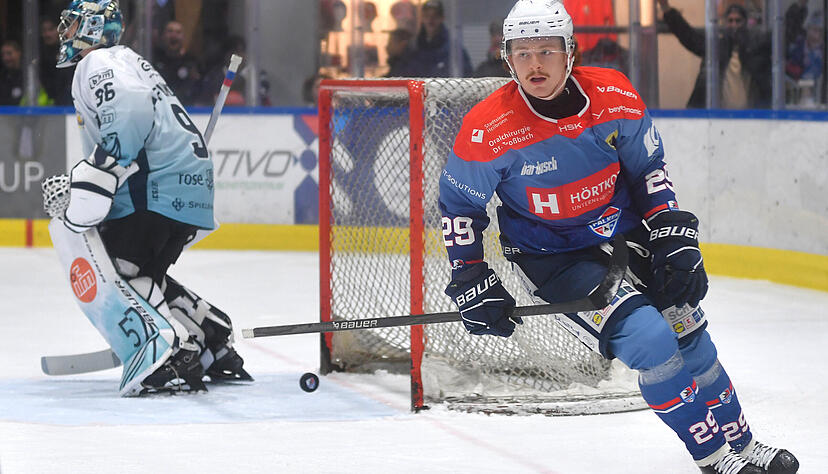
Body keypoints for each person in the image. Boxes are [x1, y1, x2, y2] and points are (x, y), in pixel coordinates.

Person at [438, 1, 798, 473]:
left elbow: (647, 169)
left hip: (623, 235)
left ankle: (744, 447)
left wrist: (670, 233)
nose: (534, 64)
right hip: (555, 258)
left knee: (689, 334)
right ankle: (714, 459)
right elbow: (460, 207)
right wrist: (470, 275)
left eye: (547, 50)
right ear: (507, 58)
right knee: (650, 340)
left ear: (571, 52)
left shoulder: (614, 95)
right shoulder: (489, 128)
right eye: (521, 53)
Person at [49, 0, 250, 395]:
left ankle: (169, 356)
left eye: (72, 25)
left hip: (155, 187)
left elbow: (131, 113)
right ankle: (208, 337)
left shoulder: (99, 63)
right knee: (142, 271)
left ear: (92, 28)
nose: (65, 33)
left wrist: (91, 176)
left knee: (119, 271)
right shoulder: (126, 59)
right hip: (184, 185)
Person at [658, 0, 771, 109]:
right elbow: (688, 36)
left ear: (745, 23)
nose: (734, 25)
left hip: (752, 118)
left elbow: (783, 36)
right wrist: (666, 9)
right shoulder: (716, 48)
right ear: (725, 23)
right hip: (718, 118)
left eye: (738, 21)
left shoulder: (755, 50)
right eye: (730, 21)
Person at [406, 0, 472, 77]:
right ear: (422, 18)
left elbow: (465, 77)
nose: (430, 20)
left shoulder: (453, 50)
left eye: (435, 16)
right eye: (427, 16)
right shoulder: (414, 48)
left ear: (442, 18)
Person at [153, 20, 201, 106]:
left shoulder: (191, 62)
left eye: (178, 32)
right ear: (163, 36)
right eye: (170, 31)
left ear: (183, 37)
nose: (173, 35)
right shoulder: (155, 59)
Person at [39, 17, 74, 105]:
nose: (47, 34)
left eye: (51, 29)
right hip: (54, 105)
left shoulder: (72, 50)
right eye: (44, 30)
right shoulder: (40, 55)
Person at [0, 40, 24, 105]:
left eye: (9, 53)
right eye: (3, 55)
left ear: (19, 53)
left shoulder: (28, 76)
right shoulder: (2, 76)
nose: (5, 58)